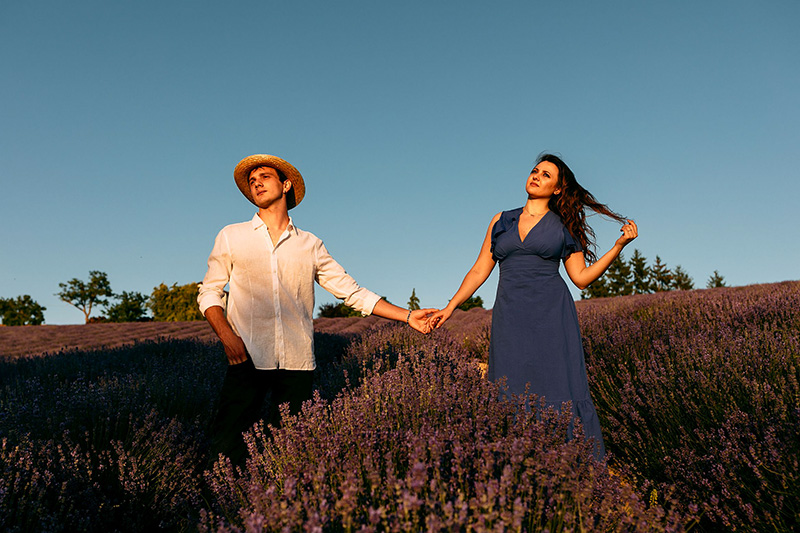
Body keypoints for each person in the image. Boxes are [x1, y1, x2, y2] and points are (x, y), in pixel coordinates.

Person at [198, 154, 435, 465]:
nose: (256, 182)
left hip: (297, 363)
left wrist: (407, 316)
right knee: (226, 448)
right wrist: (228, 338)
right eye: (251, 181)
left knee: (291, 453)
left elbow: (352, 292)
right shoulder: (232, 235)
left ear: (285, 185)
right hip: (247, 357)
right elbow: (209, 292)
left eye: (264, 176)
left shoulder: (310, 244)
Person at [428, 153, 638, 460]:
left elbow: (581, 278)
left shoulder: (564, 224)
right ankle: (515, 464)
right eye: (535, 171)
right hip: (510, 314)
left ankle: (570, 464)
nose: (536, 176)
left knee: (556, 386)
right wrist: (450, 307)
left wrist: (617, 247)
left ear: (557, 190)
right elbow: (479, 270)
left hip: (552, 316)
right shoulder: (501, 220)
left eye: (546, 175)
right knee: (509, 385)